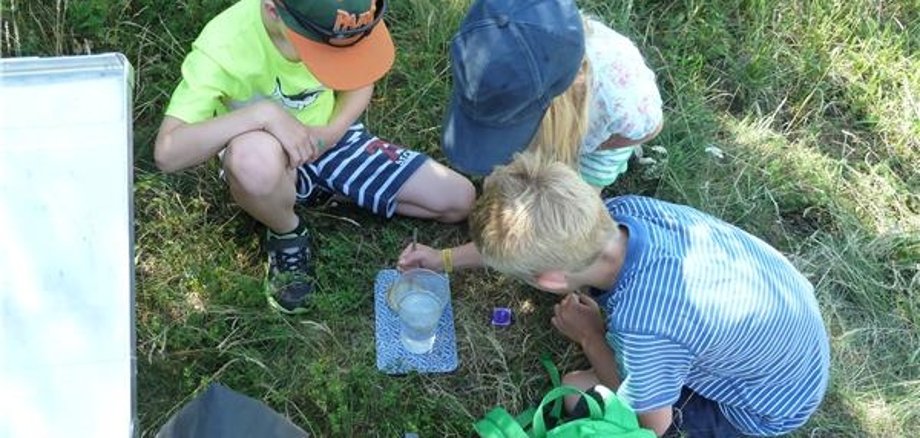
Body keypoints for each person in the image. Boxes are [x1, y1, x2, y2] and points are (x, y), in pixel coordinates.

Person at [463, 153, 830, 437]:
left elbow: (652, 423)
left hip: (760, 407)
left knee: (576, 390)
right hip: (789, 326)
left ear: (551, 282)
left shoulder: (644, 325)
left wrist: (591, 338)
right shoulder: (627, 210)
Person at [154, 0, 474, 313]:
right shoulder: (225, 45)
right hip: (263, 156)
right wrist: (262, 115)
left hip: (329, 141)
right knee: (250, 160)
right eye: (322, 49)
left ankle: (317, 191)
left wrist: (333, 131)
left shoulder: (346, 15)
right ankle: (286, 229)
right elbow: (168, 153)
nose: (334, 59)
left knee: (458, 198)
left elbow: (362, 77)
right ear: (272, 10)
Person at [398, 0, 662, 270]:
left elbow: (650, 129)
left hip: (595, 143)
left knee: (548, 230)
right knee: (497, 191)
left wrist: (595, 146)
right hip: (554, 120)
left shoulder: (625, 100)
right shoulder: (497, 46)